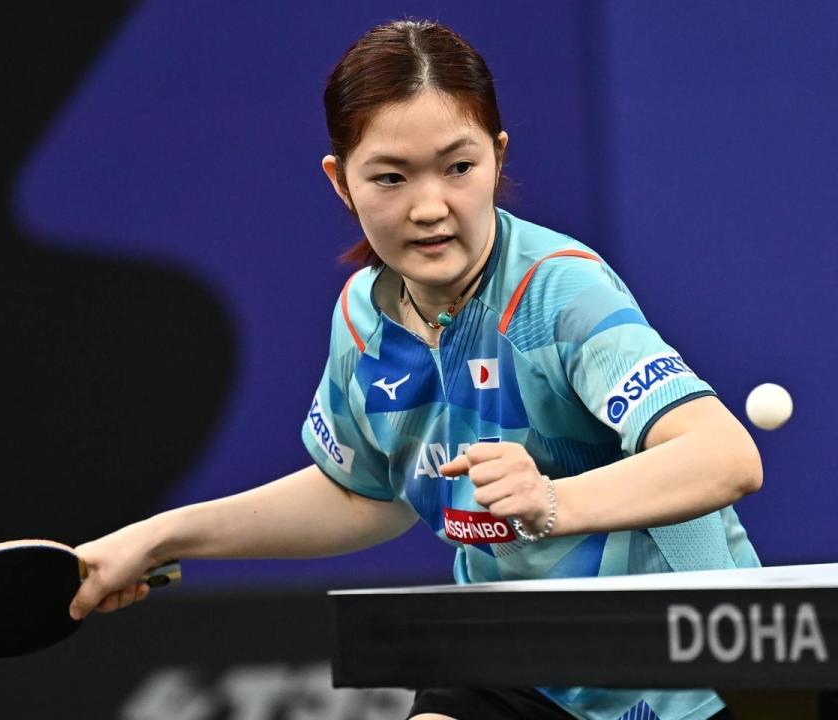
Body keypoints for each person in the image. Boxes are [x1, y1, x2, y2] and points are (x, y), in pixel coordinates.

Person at [68, 19, 762, 720]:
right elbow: (364, 493)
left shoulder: (558, 293)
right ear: (341, 182)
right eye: (391, 177)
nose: (430, 208)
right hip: (517, 657)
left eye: (458, 168)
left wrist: (552, 502)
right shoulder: (362, 319)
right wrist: (157, 536)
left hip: (675, 672)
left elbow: (725, 457)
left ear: (497, 157)